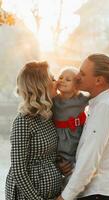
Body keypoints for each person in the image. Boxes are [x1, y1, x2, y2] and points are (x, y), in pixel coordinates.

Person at [56, 54, 109, 200]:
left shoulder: (105, 107)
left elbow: (89, 158)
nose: (77, 77)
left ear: (99, 80)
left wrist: (65, 197)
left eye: (82, 74)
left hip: (100, 193)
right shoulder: (100, 104)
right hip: (99, 192)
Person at [5, 61, 62, 200]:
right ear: (41, 86)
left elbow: (77, 89)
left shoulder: (50, 113)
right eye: (52, 79)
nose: (58, 82)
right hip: (28, 196)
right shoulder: (23, 122)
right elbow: (18, 170)